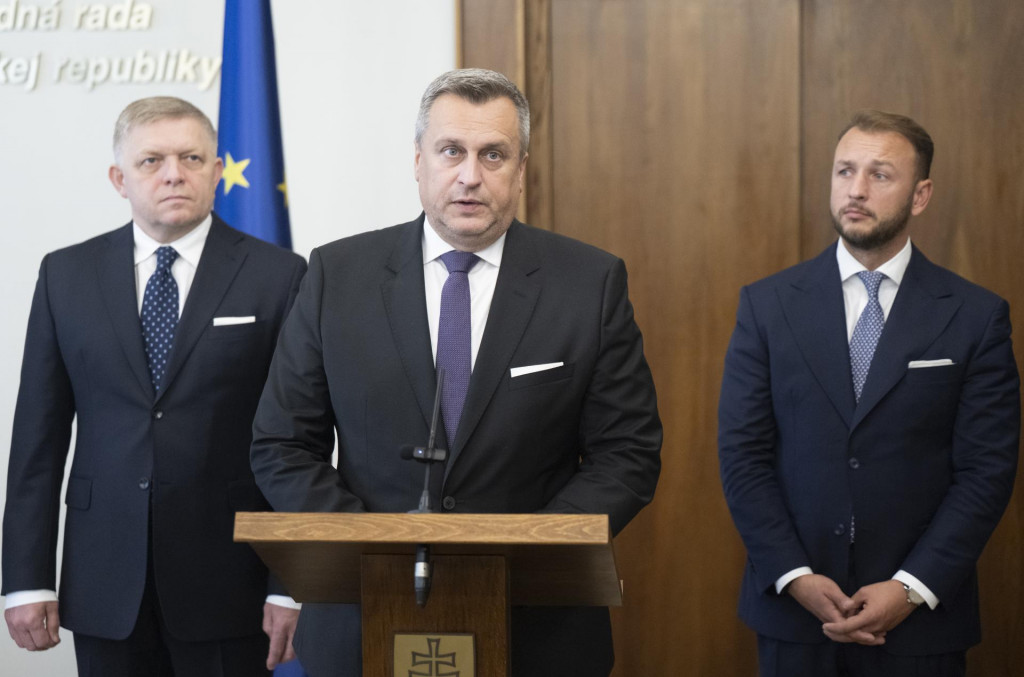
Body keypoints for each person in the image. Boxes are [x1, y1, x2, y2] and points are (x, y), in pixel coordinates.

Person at [249, 68, 662, 677]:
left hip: (538, 627)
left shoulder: (589, 284)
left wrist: (530, 551)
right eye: (451, 152)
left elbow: (628, 452)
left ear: (521, 171)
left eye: (493, 154)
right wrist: (373, 548)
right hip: (363, 614)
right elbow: (282, 443)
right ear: (419, 162)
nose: (471, 175)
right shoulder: (338, 275)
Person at [2, 96, 307, 676]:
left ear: (218, 172)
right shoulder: (65, 275)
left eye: (192, 157)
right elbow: (36, 441)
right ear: (120, 178)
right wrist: (24, 579)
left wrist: (287, 584)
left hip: (230, 581)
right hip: (102, 578)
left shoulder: (280, 276)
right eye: (152, 161)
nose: (174, 173)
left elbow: (297, 440)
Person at [718, 110, 1020, 677]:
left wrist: (911, 588)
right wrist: (795, 576)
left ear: (921, 194)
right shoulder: (767, 305)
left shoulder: (976, 316)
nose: (855, 190)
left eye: (880, 175)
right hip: (795, 614)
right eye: (844, 172)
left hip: (921, 624)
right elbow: (744, 456)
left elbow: (986, 471)